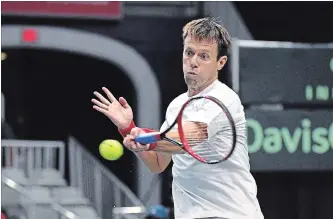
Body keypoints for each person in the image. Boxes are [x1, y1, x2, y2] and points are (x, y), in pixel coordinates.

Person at [92, 17, 264, 219]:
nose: (193, 61)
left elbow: (185, 140)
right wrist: (129, 129)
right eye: (189, 53)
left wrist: (147, 141)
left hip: (230, 215)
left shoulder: (223, 99)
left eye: (204, 56)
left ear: (220, 62)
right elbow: (157, 163)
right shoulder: (177, 105)